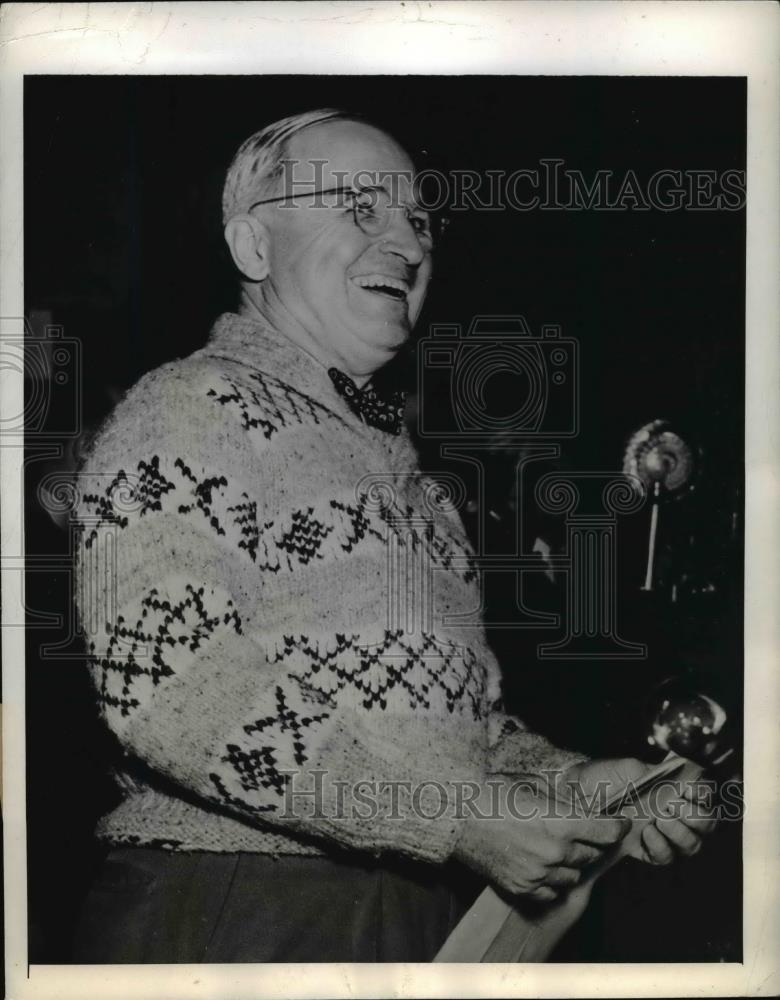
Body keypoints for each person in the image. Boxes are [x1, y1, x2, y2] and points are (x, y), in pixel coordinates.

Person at [72, 109, 714, 963]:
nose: (407, 244)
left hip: (410, 914)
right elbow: (166, 684)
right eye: (359, 207)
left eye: (418, 219)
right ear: (253, 247)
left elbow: (457, 741)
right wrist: (448, 817)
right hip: (238, 912)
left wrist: (569, 787)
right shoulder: (190, 408)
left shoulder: (414, 489)